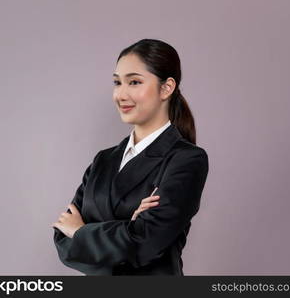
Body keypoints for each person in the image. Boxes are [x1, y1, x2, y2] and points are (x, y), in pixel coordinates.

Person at [52, 38, 209, 275]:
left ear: (166, 88)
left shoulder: (186, 159)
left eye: (134, 82)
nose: (121, 94)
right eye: (117, 83)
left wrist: (82, 232)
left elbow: (145, 242)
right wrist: (127, 226)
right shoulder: (103, 161)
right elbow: (63, 239)